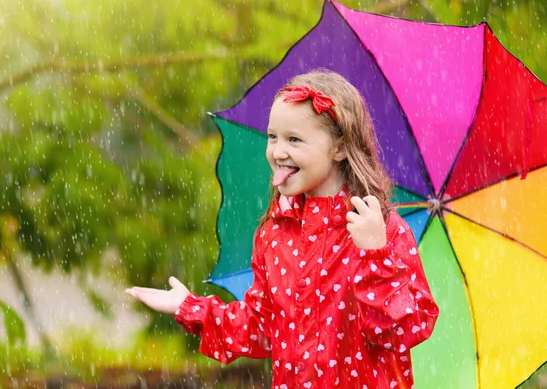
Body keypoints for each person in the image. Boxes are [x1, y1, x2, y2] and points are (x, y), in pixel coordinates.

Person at [125, 69, 439, 389]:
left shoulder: (381, 229)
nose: (277, 151)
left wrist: (376, 256)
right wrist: (190, 308)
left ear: (340, 148)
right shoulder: (275, 233)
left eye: (294, 139)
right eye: (273, 136)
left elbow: (404, 330)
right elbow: (261, 327)